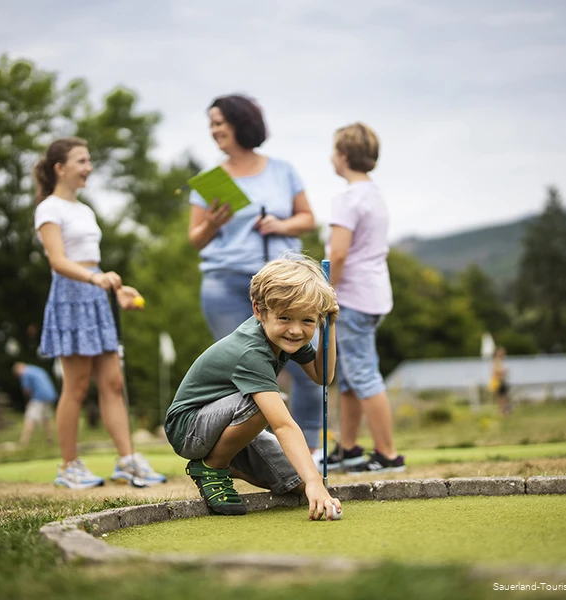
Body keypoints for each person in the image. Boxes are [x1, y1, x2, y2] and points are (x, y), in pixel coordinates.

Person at [186, 94, 324, 462]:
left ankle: (312, 448)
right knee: (242, 371)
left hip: (283, 285)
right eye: (211, 124)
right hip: (224, 283)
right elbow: (195, 239)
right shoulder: (210, 180)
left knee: (309, 362)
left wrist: (281, 224)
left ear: (240, 122)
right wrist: (212, 224)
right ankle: (258, 456)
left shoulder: (282, 170)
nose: (214, 130)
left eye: (219, 122)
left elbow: (308, 218)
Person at [164, 256, 342, 519]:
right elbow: (282, 425)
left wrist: (330, 326)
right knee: (267, 403)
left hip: (229, 420)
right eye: (285, 318)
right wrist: (315, 480)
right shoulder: (252, 352)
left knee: (297, 482)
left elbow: (322, 376)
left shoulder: (283, 336)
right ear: (259, 311)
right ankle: (213, 466)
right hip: (189, 428)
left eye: (308, 321)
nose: (295, 330)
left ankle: (231, 462)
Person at [33, 137, 165, 489]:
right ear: (60, 168)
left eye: (89, 160)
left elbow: (92, 262)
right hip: (71, 296)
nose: (88, 167)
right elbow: (58, 262)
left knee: (113, 382)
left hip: (96, 295)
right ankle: (68, 466)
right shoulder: (49, 209)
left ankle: (127, 462)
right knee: (76, 386)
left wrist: (117, 291)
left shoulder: (85, 210)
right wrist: (95, 279)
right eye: (81, 161)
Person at [323, 123, 405, 474]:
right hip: (373, 295)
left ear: (343, 155)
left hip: (352, 298)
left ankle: (388, 455)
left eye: (333, 150)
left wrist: (325, 291)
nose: (331, 157)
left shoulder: (347, 199)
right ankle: (349, 449)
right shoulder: (373, 194)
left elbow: (339, 254)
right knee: (349, 376)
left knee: (363, 374)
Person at [13, 362, 57, 446]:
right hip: (50, 395)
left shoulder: (25, 373)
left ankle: (23, 442)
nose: (19, 376)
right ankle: (50, 439)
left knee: (30, 417)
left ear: (19, 369)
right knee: (47, 418)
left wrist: (27, 401)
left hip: (38, 396)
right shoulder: (38, 370)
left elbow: (26, 390)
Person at [491, 346, 511, 416]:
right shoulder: (497, 361)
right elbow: (496, 371)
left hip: (500, 381)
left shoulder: (498, 361)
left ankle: (503, 411)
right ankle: (503, 412)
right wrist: (504, 371)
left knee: (502, 397)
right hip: (499, 381)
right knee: (502, 397)